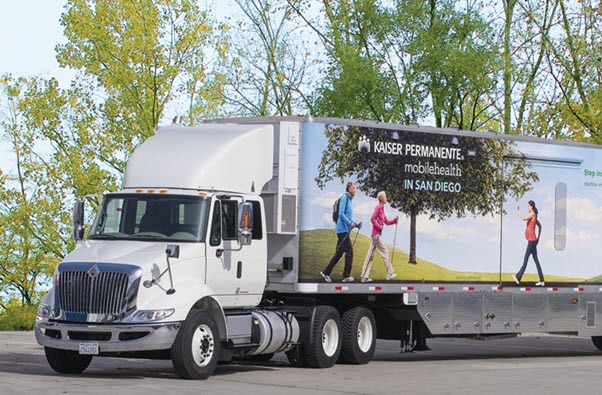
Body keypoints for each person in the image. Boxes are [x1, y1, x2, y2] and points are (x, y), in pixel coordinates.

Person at [321, 181, 362, 283]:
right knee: (349, 251)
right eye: (353, 188)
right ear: (349, 189)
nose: (355, 190)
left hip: (345, 230)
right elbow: (341, 214)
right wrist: (349, 223)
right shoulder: (344, 198)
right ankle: (346, 276)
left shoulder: (349, 200)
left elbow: (348, 217)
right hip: (342, 230)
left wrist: (357, 225)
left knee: (339, 253)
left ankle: (326, 272)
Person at [360, 191, 399, 282]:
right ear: (381, 198)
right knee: (385, 251)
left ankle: (364, 277)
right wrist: (379, 226)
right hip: (375, 235)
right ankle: (389, 273)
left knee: (370, 255)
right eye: (385, 196)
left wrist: (394, 221)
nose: (386, 198)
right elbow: (372, 219)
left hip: (376, 235)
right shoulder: (378, 208)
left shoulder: (382, 209)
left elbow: (387, 221)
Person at [512, 200, 545, 286]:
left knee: (525, 259)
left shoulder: (532, 214)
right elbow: (540, 226)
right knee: (536, 260)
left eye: (528, 206)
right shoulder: (534, 216)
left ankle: (518, 277)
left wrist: (518, 210)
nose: (527, 208)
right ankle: (542, 280)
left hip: (532, 241)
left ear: (531, 207)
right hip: (533, 240)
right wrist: (538, 238)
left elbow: (523, 218)